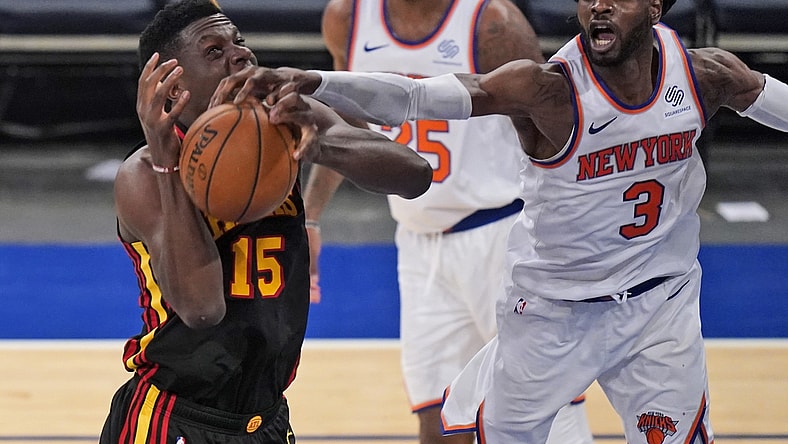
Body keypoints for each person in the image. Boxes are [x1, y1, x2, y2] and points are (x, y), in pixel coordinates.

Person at [211, 0, 788, 441]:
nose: (600, 7)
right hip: (553, 307)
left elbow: (771, 98)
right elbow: (419, 99)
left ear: (656, 8)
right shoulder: (547, 90)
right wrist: (317, 82)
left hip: (657, 303)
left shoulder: (704, 75)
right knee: (453, 427)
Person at [100, 1, 432, 443]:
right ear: (171, 84)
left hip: (267, 417)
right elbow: (202, 309)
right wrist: (166, 161)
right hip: (172, 416)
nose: (239, 54)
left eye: (239, 41)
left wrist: (317, 147)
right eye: (214, 51)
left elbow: (415, 176)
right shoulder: (144, 174)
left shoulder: (284, 125)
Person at [303, 0, 593, 443]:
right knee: (437, 419)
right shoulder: (346, 18)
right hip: (419, 244)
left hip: (505, 237)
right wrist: (311, 217)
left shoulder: (493, 23)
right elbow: (348, 128)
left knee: (545, 408)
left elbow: (560, 128)